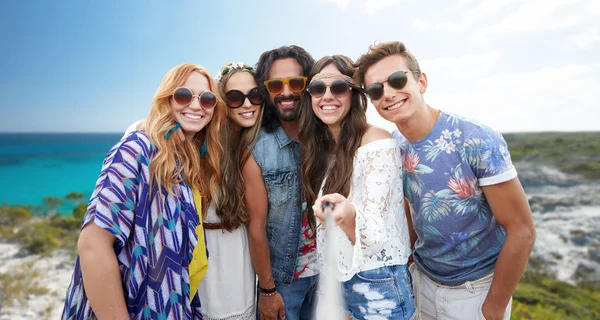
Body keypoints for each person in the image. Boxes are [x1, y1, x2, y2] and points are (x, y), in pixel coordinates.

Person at [354, 41, 536, 319]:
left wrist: (493, 308)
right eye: (376, 90)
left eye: (397, 80)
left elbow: (521, 229)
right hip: (422, 283)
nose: (388, 94)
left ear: (421, 81)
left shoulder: (475, 138)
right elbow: (409, 206)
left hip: (476, 291)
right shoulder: (393, 147)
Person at [61, 63, 226, 319]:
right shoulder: (137, 148)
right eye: (184, 95)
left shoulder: (186, 164)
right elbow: (93, 245)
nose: (196, 105)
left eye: (206, 99)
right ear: (166, 99)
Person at [299, 55, 414, 320]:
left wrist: (347, 214)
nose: (327, 96)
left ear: (354, 94)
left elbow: (374, 236)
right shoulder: (324, 149)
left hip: (377, 281)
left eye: (338, 87)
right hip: (337, 281)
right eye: (318, 89)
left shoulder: (377, 142)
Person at [242, 45, 318, 320]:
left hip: (329, 277)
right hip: (286, 283)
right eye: (276, 85)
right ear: (266, 90)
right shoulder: (257, 149)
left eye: (296, 83)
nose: (286, 93)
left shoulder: (325, 136)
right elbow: (256, 226)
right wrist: (268, 290)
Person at [196, 61, 265, 320]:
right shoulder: (202, 143)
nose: (247, 104)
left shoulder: (258, 144)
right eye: (236, 97)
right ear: (223, 100)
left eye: (255, 95)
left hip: (239, 256)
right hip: (206, 257)